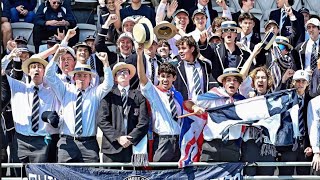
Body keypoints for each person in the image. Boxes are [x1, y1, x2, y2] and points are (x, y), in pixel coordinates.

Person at [44, 48, 114, 163]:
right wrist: (56, 57)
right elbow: (49, 75)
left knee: (90, 176)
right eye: (79, 75)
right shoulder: (65, 90)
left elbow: (109, 83)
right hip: (67, 141)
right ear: (74, 77)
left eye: (85, 75)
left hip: (89, 144)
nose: (82, 78)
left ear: (90, 79)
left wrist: (106, 64)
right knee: (64, 175)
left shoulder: (95, 93)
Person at [1, 55, 59, 164]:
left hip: (41, 142)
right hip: (20, 141)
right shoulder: (18, 86)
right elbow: (1, 69)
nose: (36, 69)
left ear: (44, 71)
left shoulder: (51, 91)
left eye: (39, 67)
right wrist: (10, 56)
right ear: (28, 71)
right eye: (33, 67)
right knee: (17, 176)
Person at [185, 67, 246, 162]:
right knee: (207, 175)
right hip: (211, 145)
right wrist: (195, 107)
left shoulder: (243, 101)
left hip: (232, 146)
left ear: (239, 84)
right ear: (223, 83)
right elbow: (188, 102)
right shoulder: (213, 95)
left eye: (235, 80)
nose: (232, 83)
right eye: (228, 80)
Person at [136, 42, 183, 162]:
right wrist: (139, 55)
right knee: (159, 172)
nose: (165, 79)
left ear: (174, 78)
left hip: (178, 140)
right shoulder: (154, 92)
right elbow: (142, 78)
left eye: (168, 76)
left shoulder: (177, 95)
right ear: (158, 77)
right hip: (162, 140)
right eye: (162, 76)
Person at [97, 62, 149, 163]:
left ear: (130, 76)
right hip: (112, 148)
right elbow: (101, 120)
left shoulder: (139, 96)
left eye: (125, 72)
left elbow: (144, 121)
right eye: (119, 72)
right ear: (115, 78)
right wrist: (118, 137)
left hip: (133, 148)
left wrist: (130, 139)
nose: (122, 74)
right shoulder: (108, 96)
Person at [277, 70, 313, 175]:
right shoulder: (286, 98)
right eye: (298, 81)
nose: (300, 84)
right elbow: (277, 96)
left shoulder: (311, 101)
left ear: (308, 83)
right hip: (289, 144)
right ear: (293, 82)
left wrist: (311, 145)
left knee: (304, 176)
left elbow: (313, 125)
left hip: (305, 146)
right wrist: (283, 81)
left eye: (303, 81)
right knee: (286, 175)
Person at [174, 36, 218, 100]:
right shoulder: (176, 68)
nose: (180, 51)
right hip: (186, 106)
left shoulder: (205, 65)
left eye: (183, 48)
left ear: (192, 49)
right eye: (179, 49)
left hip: (204, 103)